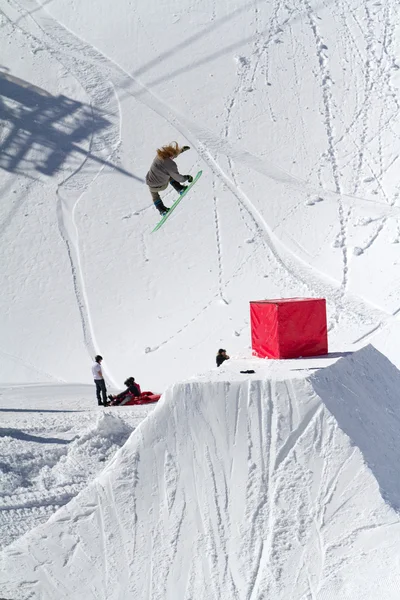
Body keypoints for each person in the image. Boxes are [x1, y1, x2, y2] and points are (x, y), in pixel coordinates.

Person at [146, 142, 193, 215]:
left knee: (154, 195)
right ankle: (180, 188)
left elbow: (171, 155)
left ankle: (162, 210)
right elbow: (179, 178)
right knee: (171, 176)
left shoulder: (159, 156)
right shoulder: (171, 165)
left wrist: (181, 150)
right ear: (171, 156)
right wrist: (186, 177)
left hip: (150, 183)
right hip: (162, 184)